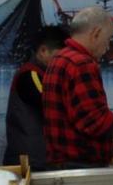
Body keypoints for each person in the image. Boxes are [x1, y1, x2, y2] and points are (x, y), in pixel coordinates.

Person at [42, 6, 113, 169]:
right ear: (96, 33)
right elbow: (94, 121)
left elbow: (78, 117)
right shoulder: (82, 63)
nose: (108, 46)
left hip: (60, 163)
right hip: (79, 166)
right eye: (108, 38)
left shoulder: (59, 59)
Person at [4, 27, 69, 169]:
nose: (64, 62)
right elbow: (51, 106)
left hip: (39, 160)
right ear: (43, 51)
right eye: (60, 56)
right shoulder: (30, 74)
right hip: (31, 163)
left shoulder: (45, 75)